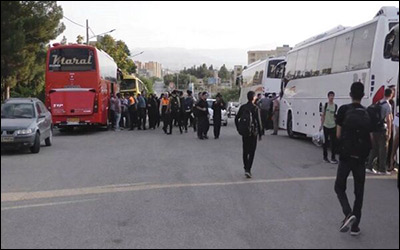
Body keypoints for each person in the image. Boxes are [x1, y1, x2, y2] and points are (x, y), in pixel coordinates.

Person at [335, 82, 372, 237]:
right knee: (359, 192)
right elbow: (370, 138)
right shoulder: (366, 113)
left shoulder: (343, 110)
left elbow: (338, 134)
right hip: (360, 159)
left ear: (350, 94)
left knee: (339, 187)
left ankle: (348, 213)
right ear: (363, 95)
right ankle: (355, 227)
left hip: (346, 157)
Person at [235, 91, 263, 178]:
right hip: (253, 133)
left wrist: (239, 129)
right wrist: (260, 133)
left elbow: (236, 118)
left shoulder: (243, 107)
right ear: (254, 98)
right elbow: (259, 122)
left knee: (245, 151)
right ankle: (248, 169)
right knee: (252, 152)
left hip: (245, 133)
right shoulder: (255, 108)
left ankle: (245, 167)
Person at [366, 88, 393, 175]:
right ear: (391, 95)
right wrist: (389, 132)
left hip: (374, 129)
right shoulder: (387, 105)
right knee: (383, 149)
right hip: (382, 129)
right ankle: (382, 169)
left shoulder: (378, 102)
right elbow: (388, 119)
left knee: (374, 149)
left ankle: (369, 166)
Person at [320, 91, 339, 164]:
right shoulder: (326, 105)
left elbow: (335, 116)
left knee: (333, 142)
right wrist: (321, 125)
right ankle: (325, 157)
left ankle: (333, 158)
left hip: (333, 125)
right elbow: (323, 115)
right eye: (330, 96)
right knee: (325, 142)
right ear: (328, 97)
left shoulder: (335, 106)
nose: (331, 97)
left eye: (333, 96)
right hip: (326, 125)